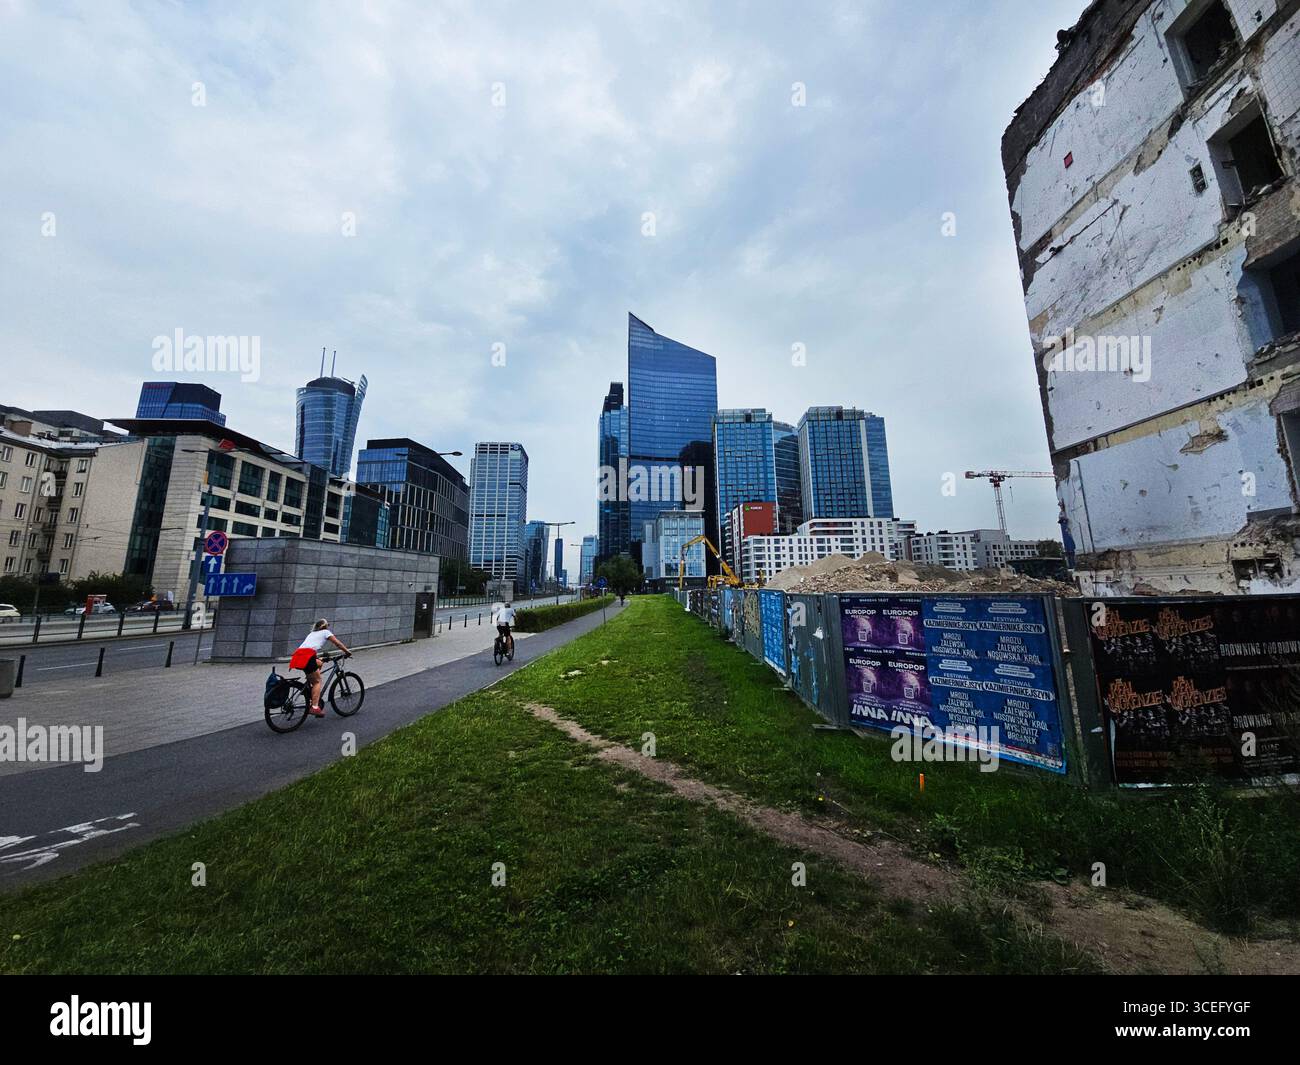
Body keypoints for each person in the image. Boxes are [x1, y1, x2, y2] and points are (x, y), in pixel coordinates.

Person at [288, 618, 351, 717]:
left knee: (319, 663)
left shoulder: (311, 634)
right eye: (328, 625)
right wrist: (347, 652)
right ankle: (315, 707)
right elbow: (337, 643)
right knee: (317, 681)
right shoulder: (326, 632)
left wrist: (319, 659)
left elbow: (308, 648)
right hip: (307, 657)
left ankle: (311, 687)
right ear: (325, 626)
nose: (328, 627)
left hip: (298, 656)